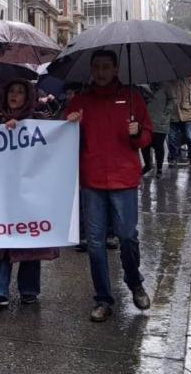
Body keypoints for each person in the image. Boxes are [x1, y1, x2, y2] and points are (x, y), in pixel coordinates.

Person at [64, 50, 153, 322]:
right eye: (96, 67)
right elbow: (65, 141)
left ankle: (134, 280)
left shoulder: (131, 99)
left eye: (106, 67)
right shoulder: (80, 102)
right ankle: (103, 298)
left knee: (127, 236)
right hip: (92, 181)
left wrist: (137, 133)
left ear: (116, 69)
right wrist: (70, 126)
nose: (101, 72)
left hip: (123, 178)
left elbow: (146, 137)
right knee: (94, 243)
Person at [0, 80, 59, 307]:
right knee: (3, 240)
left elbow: (52, 145)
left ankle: (29, 289)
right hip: (3, 190)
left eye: (20, 92)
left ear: (29, 96)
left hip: (30, 190)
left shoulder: (39, 120)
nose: (14, 96)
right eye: (11, 91)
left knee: (30, 239)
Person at [139, 84, 172, 177]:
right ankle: (148, 165)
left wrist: (167, 111)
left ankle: (159, 168)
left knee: (158, 147)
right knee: (145, 145)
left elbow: (173, 99)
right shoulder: (142, 87)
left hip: (161, 122)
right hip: (146, 122)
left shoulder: (166, 86)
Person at [167, 78, 191, 167]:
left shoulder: (188, 82)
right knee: (172, 139)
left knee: (189, 137)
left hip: (186, 114)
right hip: (173, 114)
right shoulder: (169, 82)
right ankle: (173, 157)